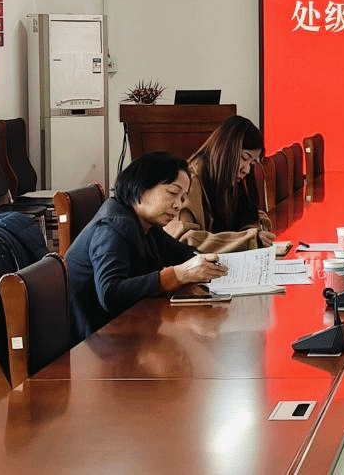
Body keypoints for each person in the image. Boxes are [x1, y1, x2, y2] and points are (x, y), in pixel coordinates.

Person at [65, 152, 229, 341]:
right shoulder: (112, 228)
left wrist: (204, 263)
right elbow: (110, 294)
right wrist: (177, 275)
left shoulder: (146, 224)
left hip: (127, 326)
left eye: (183, 198)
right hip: (95, 343)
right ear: (141, 188)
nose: (178, 205)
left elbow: (182, 253)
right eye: (173, 193)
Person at [165, 115, 274, 253]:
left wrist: (255, 231)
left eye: (251, 164)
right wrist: (247, 240)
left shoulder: (230, 181)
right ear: (225, 150)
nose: (246, 170)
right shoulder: (190, 182)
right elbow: (185, 239)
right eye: (244, 158)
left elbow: (249, 216)